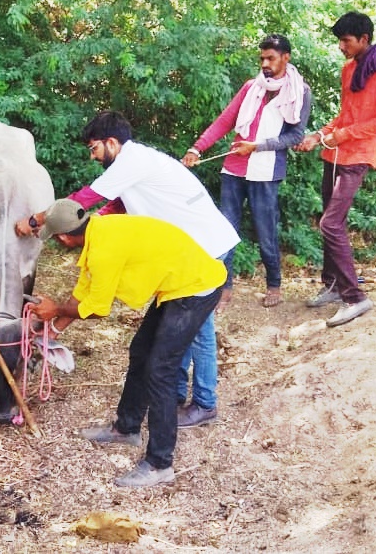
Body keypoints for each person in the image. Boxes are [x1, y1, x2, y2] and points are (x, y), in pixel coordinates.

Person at [15, 111, 238, 429]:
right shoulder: (134, 167)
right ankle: (174, 395)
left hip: (206, 246)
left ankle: (204, 403)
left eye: (94, 149)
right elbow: (111, 208)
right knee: (178, 333)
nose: (93, 156)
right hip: (186, 250)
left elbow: (83, 202)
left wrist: (35, 220)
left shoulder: (130, 162)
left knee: (197, 332)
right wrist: (56, 327)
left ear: (111, 143)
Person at [30, 199, 225, 487]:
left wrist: (55, 310)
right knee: (141, 352)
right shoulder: (98, 230)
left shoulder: (103, 250)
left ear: (64, 237)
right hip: (176, 284)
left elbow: (97, 309)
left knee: (160, 370)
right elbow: (83, 294)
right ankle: (126, 428)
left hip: (195, 288)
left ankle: (160, 463)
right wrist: (52, 331)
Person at [182, 34, 312, 309]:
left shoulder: (300, 91)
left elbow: (295, 136)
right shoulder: (251, 87)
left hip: (266, 172)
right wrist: (197, 148)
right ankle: (224, 287)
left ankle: (274, 285)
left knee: (266, 231)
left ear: (285, 58)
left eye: (270, 58)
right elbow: (225, 121)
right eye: (262, 58)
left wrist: (257, 146)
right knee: (225, 228)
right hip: (234, 168)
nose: (265, 63)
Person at [295, 12, 376, 327]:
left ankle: (355, 297)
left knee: (331, 224)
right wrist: (318, 135)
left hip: (359, 152)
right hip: (335, 153)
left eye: (346, 41)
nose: (342, 46)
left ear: (364, 39)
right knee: (330, 219)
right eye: (340, 41)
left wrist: (343, 135)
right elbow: (346, 115)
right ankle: (332, 285)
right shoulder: (350, 69)